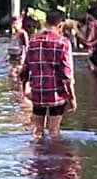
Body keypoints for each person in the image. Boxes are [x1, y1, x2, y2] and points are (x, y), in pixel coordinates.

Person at [19, 9, 76, 139]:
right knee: (54, 130)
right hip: (56, 95)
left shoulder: (33, 41)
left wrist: (24, 91)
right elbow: (67, 76)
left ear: (46, 22)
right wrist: (72, 99)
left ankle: (37, 156)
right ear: (60, 25)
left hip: (38, 93)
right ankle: (53, 155)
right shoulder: (63, 43)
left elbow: (24, 71)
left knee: (37, 130)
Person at [80, 7, 97, 73]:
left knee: (92, 65)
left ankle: (95, 81)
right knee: (96, 66)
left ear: (90, 15)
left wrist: (92, 43)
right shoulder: (92, 23)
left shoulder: (95, 23)